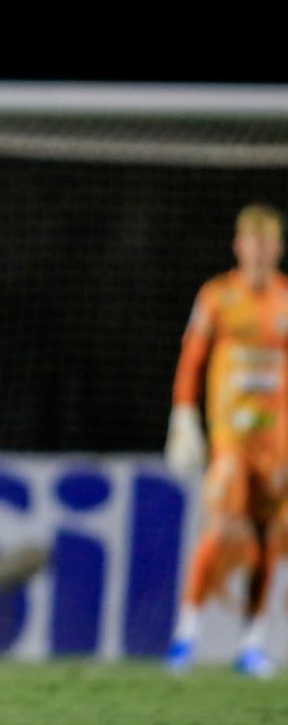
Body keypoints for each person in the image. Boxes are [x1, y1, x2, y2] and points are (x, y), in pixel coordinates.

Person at [164, 203, 288, 679]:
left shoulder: (285, 301)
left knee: (269, 537)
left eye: (266, 245)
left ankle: (251, 643)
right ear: (238, 247)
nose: (258, 254)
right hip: (231, 439)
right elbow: (192, 358)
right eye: (251, 244)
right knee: (219, 528)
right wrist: (183, 414)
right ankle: (185, 636)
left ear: (278, 249)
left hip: (276, 445)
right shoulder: (217, 297)